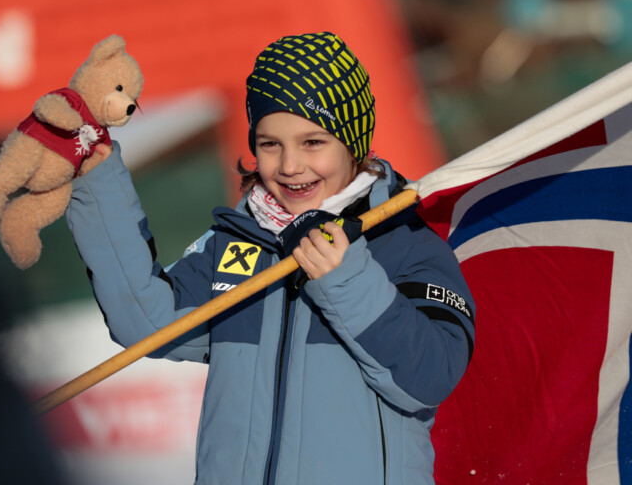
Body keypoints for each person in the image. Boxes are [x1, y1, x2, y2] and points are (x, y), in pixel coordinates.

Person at [66, 31, 475, 485]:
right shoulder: (240, 245)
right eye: (269, 144)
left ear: (354, 143)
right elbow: (146, 320)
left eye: (312, 142)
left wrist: (345, 278)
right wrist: (96, 178)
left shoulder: (404, 243)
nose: (290, 166)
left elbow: (431, 375)